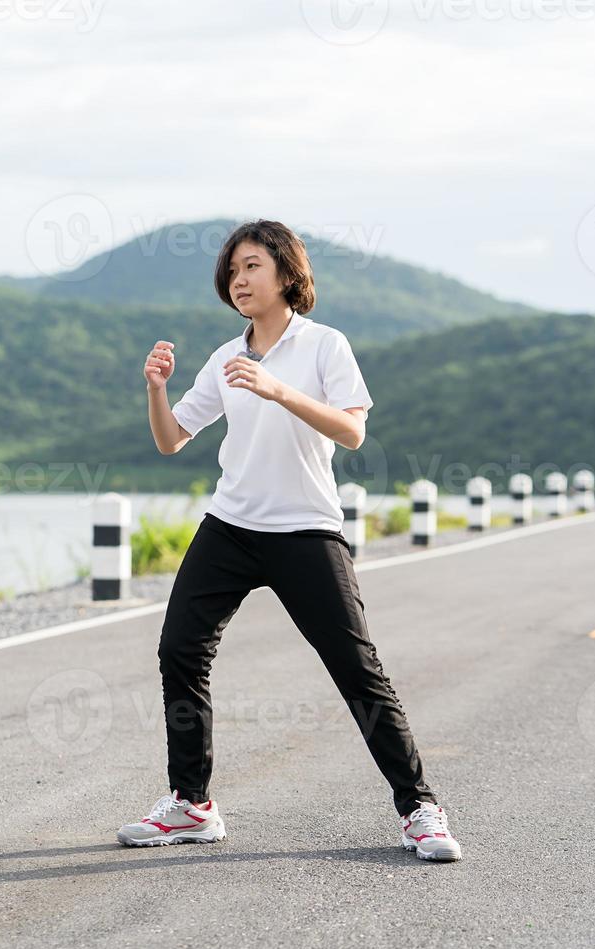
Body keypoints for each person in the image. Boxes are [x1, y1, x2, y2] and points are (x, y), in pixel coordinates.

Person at [116, 219, 462, 862]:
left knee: (356, 669)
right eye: (232, 271)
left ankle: (419, 808)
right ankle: (191, 803)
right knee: (180, 651)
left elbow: (352, 432)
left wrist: (278, 389)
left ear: (285, 273)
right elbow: (171, 439)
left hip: (305, 528)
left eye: (251, 266)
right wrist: (156, 390)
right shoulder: (225, 357)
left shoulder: (324, 345)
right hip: (230, 526)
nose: (238, 280)